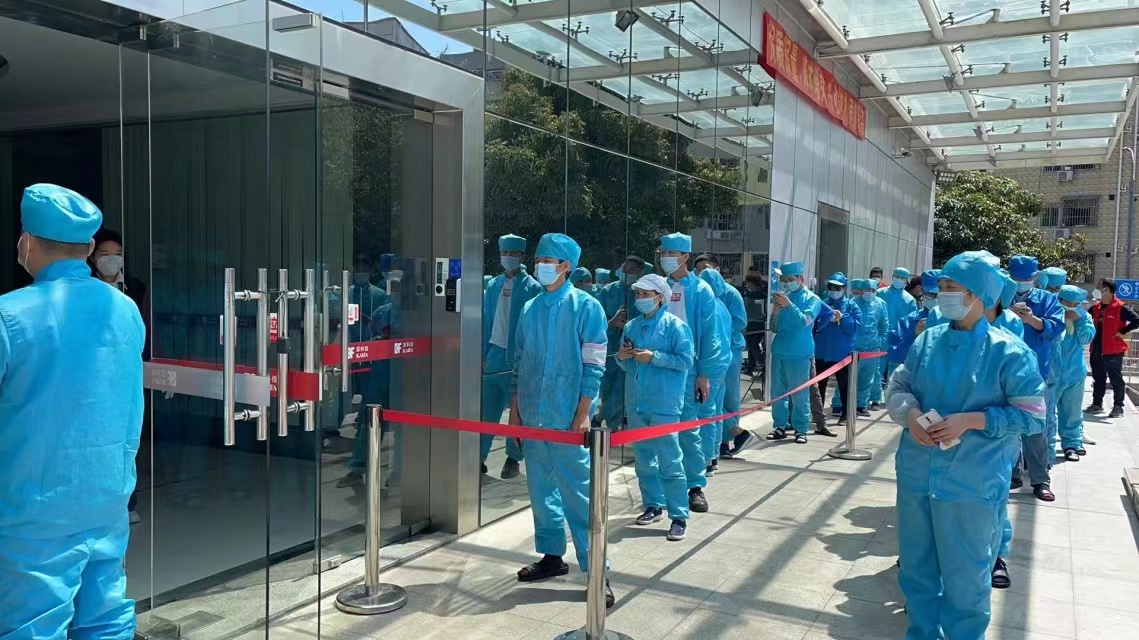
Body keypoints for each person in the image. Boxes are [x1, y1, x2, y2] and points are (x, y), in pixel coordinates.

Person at [0, 184, 146, 639]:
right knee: (105, 620)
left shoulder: (9, 315)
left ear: (26, 241)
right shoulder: (125, 310)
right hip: (106, 498)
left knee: (34, 627)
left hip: (33, 509)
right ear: (88, 248)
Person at [885, 251, 1045, 640]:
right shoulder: (928, 341)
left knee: (967, 576)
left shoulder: (1008, 351)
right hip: (918, 473)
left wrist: (973, 420)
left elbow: (1032, 415)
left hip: (972, 482)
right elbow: (899, 385)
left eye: (951, 288)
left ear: (978, 294)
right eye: (941, 287)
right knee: (917, 568)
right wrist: (910, 414)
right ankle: (922, 633)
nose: (943, 295)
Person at [509, 232, 613, 607]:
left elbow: (594, 364)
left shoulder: (587, 307)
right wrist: (516, 412)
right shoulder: (530, 308)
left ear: (566, 266)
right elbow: (519, 362)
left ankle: (597, 571)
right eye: (538, 259)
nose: (540, 265)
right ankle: (552, 556)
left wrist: (583, 413)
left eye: (547, 260)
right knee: (541, 491)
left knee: (578, 496)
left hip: (568, 418)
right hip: (533, 415)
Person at [617, 274, 693, 540]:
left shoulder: (675, 326)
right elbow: (623, 361)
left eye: (646, 294)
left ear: (660, 297)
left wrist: (655, 358)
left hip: (664, 403)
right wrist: (622, 356)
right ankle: (652, 505)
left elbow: (686, 360)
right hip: (637, 402)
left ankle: (679, 515)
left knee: (670, 460)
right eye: (638, 294)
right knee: (643, 460)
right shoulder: (631, 326)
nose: (641, 299)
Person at [91, 228, 150, 526]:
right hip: (94, 374)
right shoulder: (85, 289)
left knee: (127, 439)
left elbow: (145, 329)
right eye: (105, 254)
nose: (112, 260)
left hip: (128, 373)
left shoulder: (135, 288)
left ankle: (128, 503)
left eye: (118, 254)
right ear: (92, 257)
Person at [660, 233, 723, 512]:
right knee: (660, 433)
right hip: (658, 369)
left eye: (671, 253)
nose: (665, 258)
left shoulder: (700, 290)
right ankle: (662, 489)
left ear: (685, 257)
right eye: (663, 253)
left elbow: (710, 335)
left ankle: (695, 486)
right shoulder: (658, 285)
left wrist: (704, 373)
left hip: (688, 370)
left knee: (689, 431)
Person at [481, 235, 543, 478]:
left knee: (518, 411)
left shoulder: (533, 288)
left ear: (522, 256)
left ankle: (513, 458)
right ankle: (478, 457)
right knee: (486, 411)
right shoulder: (493, 285)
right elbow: (486, 321)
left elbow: (535, 328)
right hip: (494, 353)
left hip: (518, 356)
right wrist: (483, 354)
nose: (508, 257)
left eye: (513, 253)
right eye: (504, 252)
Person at [1007, 255, 1064, 502]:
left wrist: (1031, 319)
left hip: (1034, 371)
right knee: (1006, 425)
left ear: (1036, 277)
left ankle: (1040, 479)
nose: (1021, 282)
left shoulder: (1047, 300)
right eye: (1016, 278)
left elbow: (1055, 328)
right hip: (1003, 368)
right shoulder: (1001, 297)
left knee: (1036, 427)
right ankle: (1012, 473)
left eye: (1027, 278)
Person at [766, 261, 823, 444]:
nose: (787, 283)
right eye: (784, 280)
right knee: (777, 393)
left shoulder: (813, 299)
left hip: (799, 353)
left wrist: (789, 306)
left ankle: (801, 428)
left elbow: (804, 322)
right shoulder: (785, 298)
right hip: (780, 351)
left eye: (790, 279)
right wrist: (775, 312)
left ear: (800, 278)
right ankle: (779, 426)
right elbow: (774, 328)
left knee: (799, 393)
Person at [701, 269, 753, 457]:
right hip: (722, 354)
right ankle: (724, 441)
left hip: (723, 353)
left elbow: (739, 322)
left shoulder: (723, 300)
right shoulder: (717, 304)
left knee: (722, 399)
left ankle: (730, 436)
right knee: (718, 399)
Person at [596, 257, 647, 430]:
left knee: (621, 392)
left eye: (632, 271)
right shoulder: (607, 292)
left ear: (640, 273)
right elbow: (596, 322)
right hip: (608, 348)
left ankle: (612, 427)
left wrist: (628, 327)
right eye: (625, 270)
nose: (627, 274)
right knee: (606, 389)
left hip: (631, 351)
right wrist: (613, 323)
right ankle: (604, 417)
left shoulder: (641, 293)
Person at [1052, 286, 1095, 464]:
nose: (1071, 306)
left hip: (1075, 371)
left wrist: (1079, 321)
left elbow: (1086, 338)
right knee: (1047, 413)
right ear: (1060, 299)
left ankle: (1071, 444)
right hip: (1051, 372)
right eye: (1067, 302)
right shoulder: (1051, 313)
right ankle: (1046, 448)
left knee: (1072, 411)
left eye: (1075, 303)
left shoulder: (1084, 317)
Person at [697, 269, 734, 474]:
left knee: (704, 412)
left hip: (709, 367)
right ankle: (713, 455)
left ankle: (706, 459)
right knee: (715, 411)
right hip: (721, 364)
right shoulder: (722, 307)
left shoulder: (707, 306)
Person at [1086, 278, 1139, 418]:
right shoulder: (1095, 308)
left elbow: (1137, 320)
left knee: (1116, 379)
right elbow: (1084, 319)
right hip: (1096, 349)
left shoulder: (1120, 307)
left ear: (1108, 291)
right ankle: (1097, 404)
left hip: (1113, 350)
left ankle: (1118, 407)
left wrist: (1123, 331)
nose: (1097, 290)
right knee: (1098, 378)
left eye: (1100, 288)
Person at [815, 273, 860, 427]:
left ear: (844, 288)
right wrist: (827, 318)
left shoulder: (851, 306)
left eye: (838, 287)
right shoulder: (821, 304)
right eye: (831, 287)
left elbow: (856, 328)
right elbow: (815, 324)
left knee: (845, 386)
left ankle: (846, 414)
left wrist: (843, 318)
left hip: (842, 353)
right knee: (819, 386)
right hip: (822, 351)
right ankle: (818, 414)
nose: (834, 290)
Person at [851, 279, 889, 417]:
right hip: (855, 348)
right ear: (861, 290)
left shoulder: (881, 304)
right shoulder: (853, 303)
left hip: (872, 348)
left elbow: (884, 325)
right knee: (850, 377)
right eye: (867, 290)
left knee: (868, 378)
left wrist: (880, 340)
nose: (870, 293)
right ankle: (840, 404)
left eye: (873, 290)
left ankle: (861, 405)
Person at [881, 267, 918, 385]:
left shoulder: (910, 300)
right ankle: (873, 396)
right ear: (892, 277)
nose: (899, 280)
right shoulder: (880, 293)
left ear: (906, 281)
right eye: (897, 276)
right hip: (880, 338)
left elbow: (912, 323)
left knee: (894, 377)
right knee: (875, 373)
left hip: (898, 341)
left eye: (902, 278)